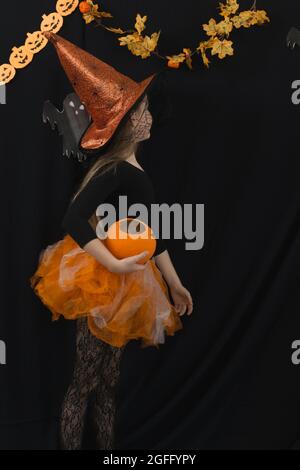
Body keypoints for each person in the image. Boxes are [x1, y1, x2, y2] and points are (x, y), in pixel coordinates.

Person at [31, 32, 193, 450]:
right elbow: (73, 219)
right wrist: (114, 263)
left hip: (129, 280)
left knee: (107, 383)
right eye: (142, 111)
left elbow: (152, 236)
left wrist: (174, 282)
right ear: (127, 124)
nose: (149, 115)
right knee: (84, 382)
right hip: (102, 277)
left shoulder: (136, 172)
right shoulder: (113, 171)